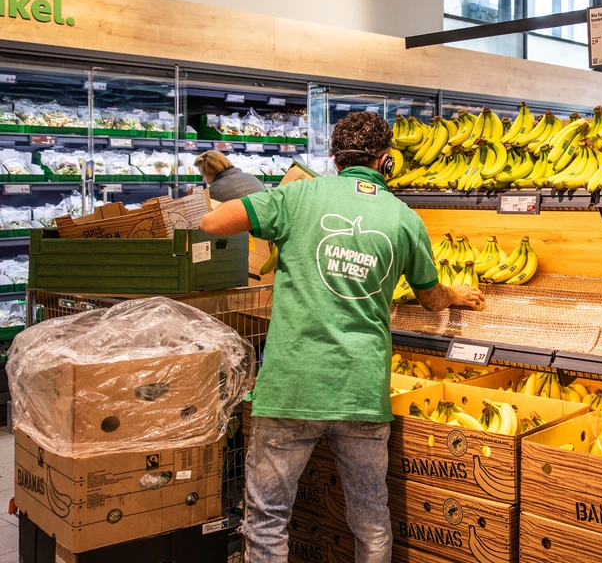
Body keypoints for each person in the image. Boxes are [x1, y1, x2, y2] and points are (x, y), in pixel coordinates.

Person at [199, 111, 485, 563]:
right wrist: (457, 295)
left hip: (292, 388)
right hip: (361, 392)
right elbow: (431, 299)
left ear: (334, 158)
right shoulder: (404, 218)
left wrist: (272, 220)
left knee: (268, 517)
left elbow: (213, 225)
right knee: (370, 519)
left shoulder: (297, 197)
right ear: (386, 162)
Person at [194, 149, 265, 201]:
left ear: (211, 172)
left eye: (203, 175)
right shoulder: (252, 178)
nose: (203, 179)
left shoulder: (213, 192)